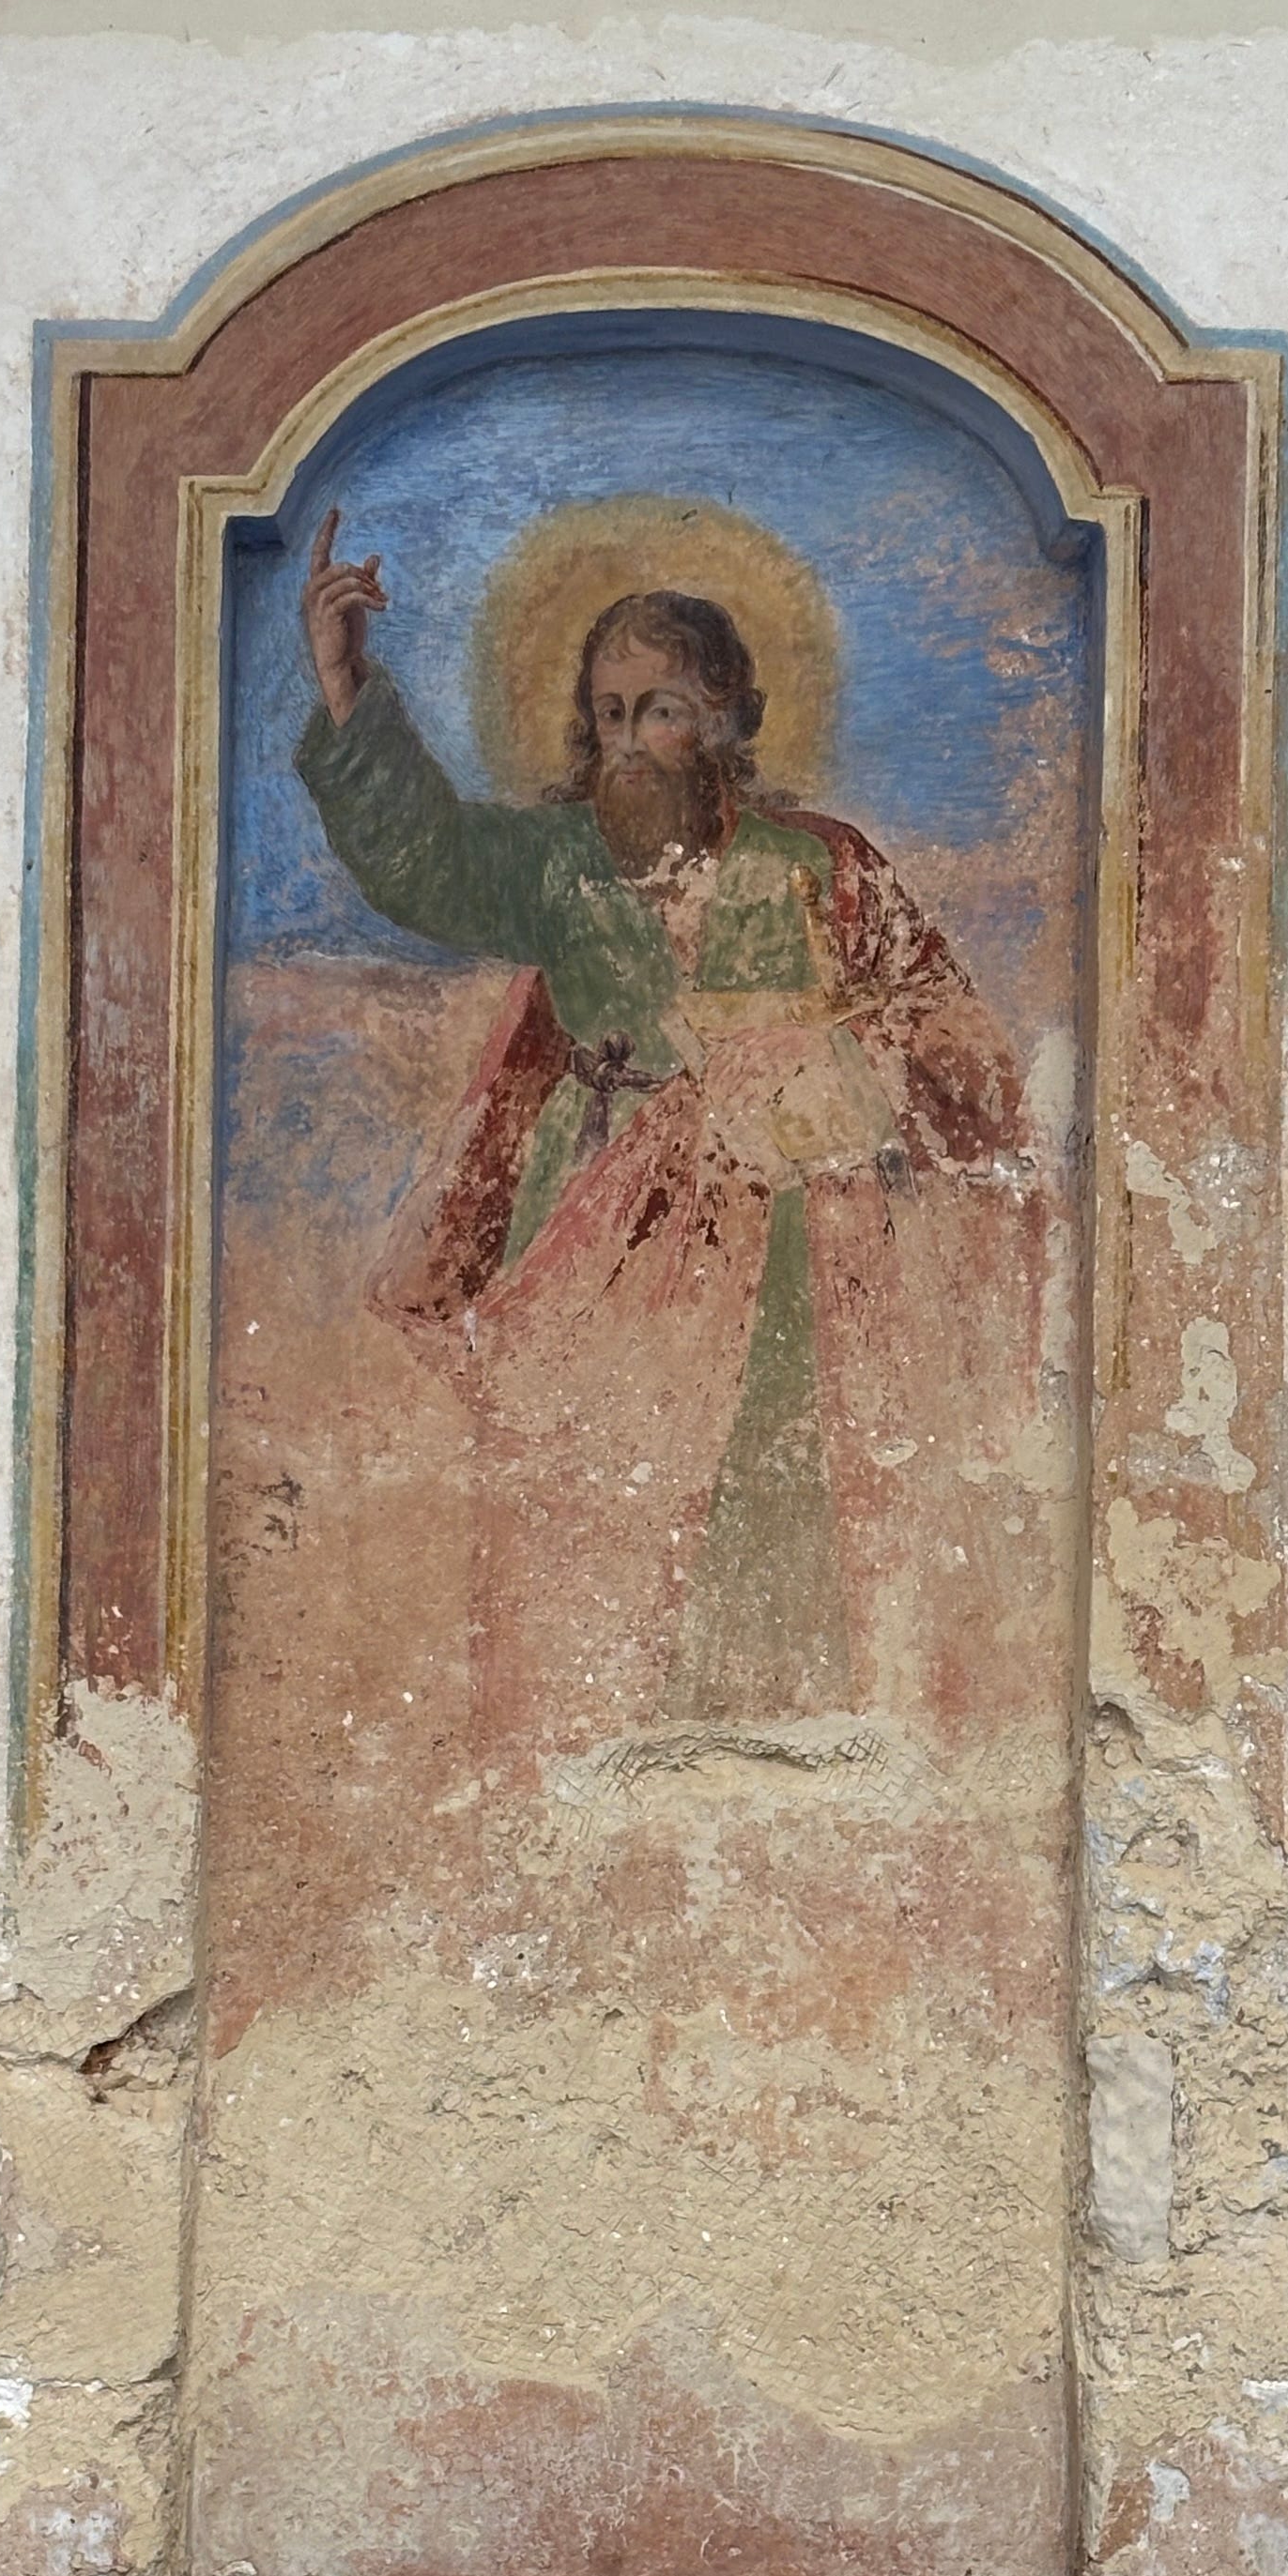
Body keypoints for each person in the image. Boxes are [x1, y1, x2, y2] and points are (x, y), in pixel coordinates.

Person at [295, 507, 1051, 1749]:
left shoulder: (824, 869)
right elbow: (427, 861)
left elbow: (949, 1032)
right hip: (592, 1229)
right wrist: (346, 691)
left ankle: (776, 1743)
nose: (628, 741)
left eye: (659, 710)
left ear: (728, 721)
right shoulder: (560, 863)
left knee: (773, 1496)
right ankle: (583, 1745)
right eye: (607, 713)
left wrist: (823, 1067)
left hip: (789, 1249)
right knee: (585, 1506)